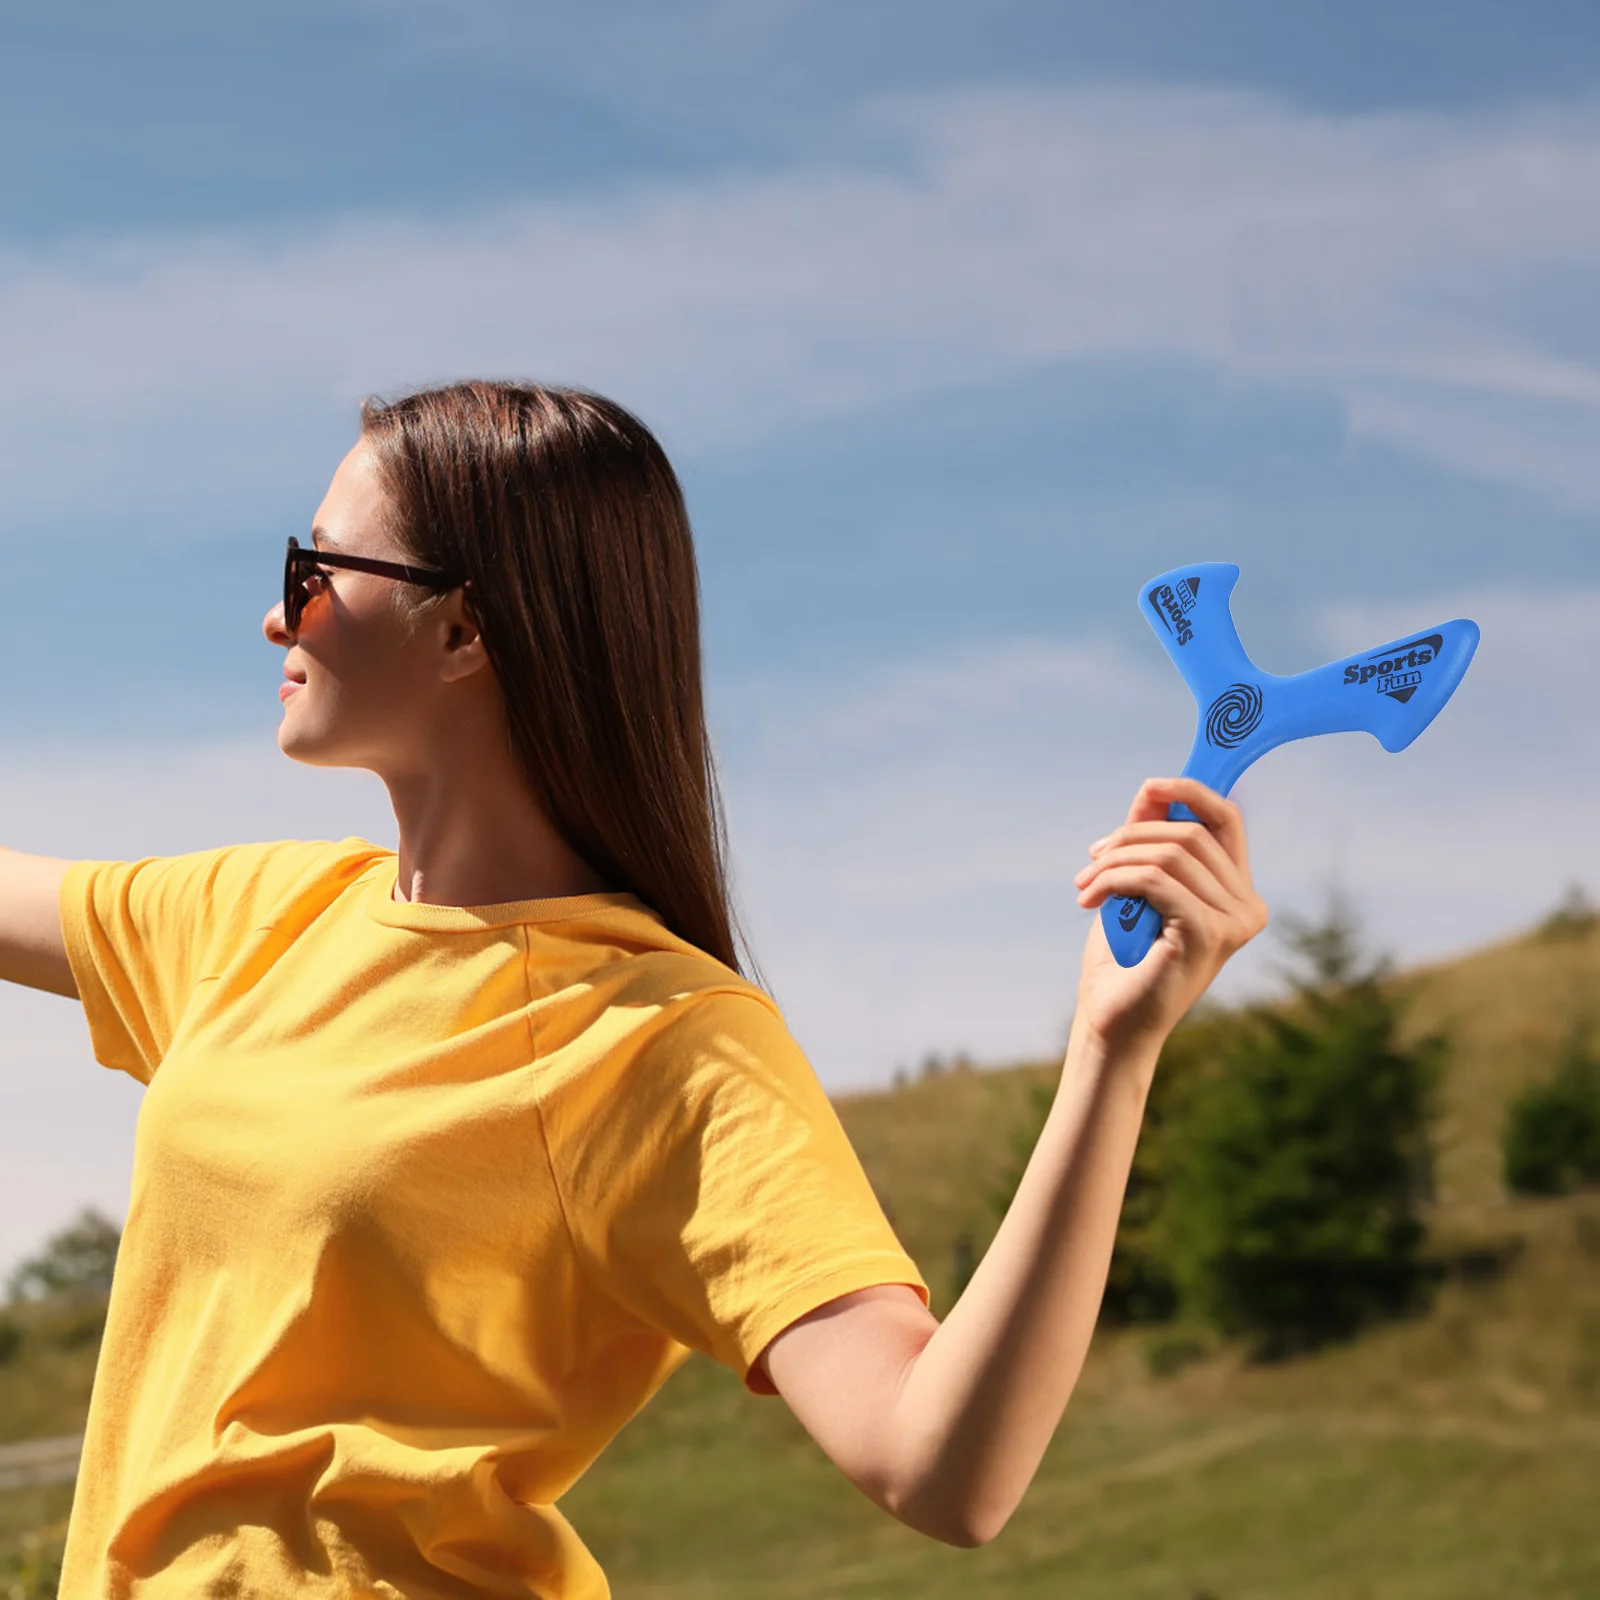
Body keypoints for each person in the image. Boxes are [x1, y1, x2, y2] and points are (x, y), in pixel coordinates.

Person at [0, 380, 1266, 1598]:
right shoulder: (256, 917)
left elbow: (943, 1468)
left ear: (462, 629)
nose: (280, 618)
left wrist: (1113, 1053)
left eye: (314, 571)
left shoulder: (661, 1040)